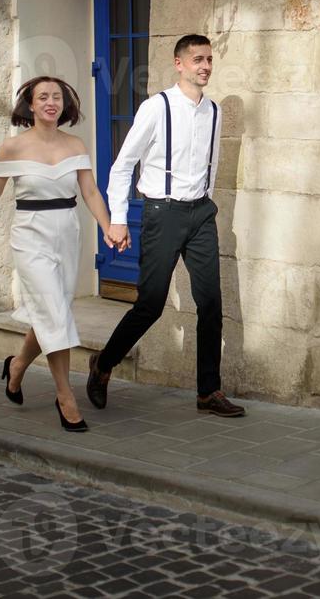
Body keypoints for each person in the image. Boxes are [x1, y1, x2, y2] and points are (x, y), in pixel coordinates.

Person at [0, 76, 124, 432]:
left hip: (67, 233)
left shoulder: (75, 145)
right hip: (30, 235)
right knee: (54, 315)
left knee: (49, 313)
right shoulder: (12, 148)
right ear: (30, 105)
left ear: (65, 104)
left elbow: (90, 192)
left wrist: (108, 227)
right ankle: (65, 396)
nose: (50, 102)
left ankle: (16, 368)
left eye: (56, 96)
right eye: (42, 97)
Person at [86, 34, 244, 418]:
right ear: (179, 64)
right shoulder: (157, 108)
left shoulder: (214, 111)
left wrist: (206, 202)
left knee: (211, 304)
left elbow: (213, 161)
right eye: (197, 60)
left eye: (209, 60)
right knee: (151, 304)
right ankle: (103, 364)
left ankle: (208, 391)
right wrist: (119, 220)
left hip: (201, 213)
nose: (205, 66)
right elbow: (123, 165)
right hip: (162, 213)